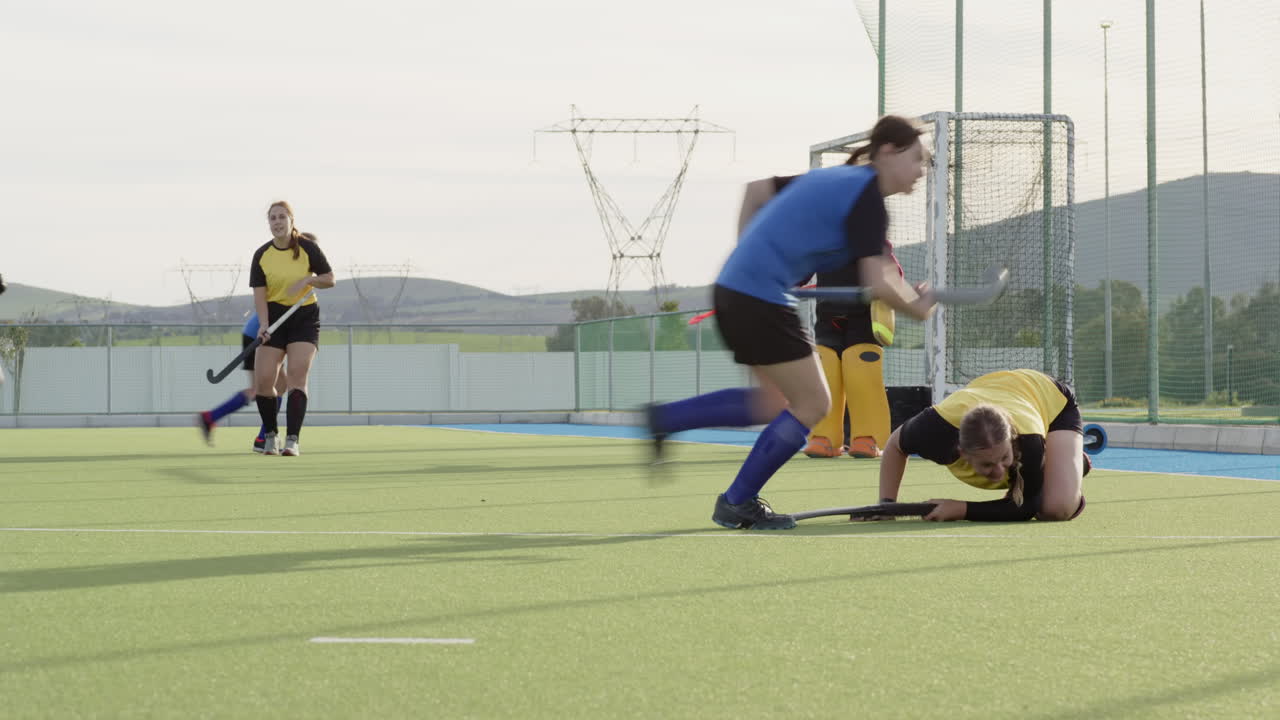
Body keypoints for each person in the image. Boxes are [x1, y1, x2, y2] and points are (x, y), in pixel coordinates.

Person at [645, 115, 936, 530]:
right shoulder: (867, 198)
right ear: (888, 151)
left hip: (736, 288)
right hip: (759, 297)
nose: (921, 172)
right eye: (918, 160)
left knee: (772, 405)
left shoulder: (836, 180)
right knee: (813, 404)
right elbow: (879, 281)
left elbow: (755, 191)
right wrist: (920, 306)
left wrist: (751, 253)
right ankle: (736, 502)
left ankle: (665, 420)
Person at [739, 170, 900, 460]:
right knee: (825, 371)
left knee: (860, 369)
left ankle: (867, 438)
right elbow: (799, 271)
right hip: (828, 317)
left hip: (863, 320)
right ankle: (824, 438)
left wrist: (895, 288)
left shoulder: (873, 238)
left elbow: (891, 271)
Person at [876, 368, 1090, 522]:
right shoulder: (934, 431)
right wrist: (886, 503)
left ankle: (1064, 461)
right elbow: (895, 446)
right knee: (1032, 487)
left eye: (1005, 458)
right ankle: (1057, 465)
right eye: (987, 465)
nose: (998, 472)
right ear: (962, 453)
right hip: (996, 390)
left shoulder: (1028, 439)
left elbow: (1025, 508)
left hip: (1050, 401)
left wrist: (961, 509)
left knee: (1055, 509)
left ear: (1012, 440)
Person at [249, 201, 335, 456]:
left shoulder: (308, 248)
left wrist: (309, 279)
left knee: (297, 376)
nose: (277, 222)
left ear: (291, 220)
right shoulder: (262, 255)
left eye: (282, 217)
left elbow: (329, 279)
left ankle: (293, 440)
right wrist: (263, 325)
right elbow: (259, 295)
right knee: (264, 381)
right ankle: (271, 436)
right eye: (273, 218)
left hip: (304, 316)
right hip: (274, 318)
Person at [197, 312, 288, 452]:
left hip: (262, 334)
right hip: (259, 336)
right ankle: (211, 417)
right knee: (259, 390)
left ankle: (263, 437)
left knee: (280, 385)